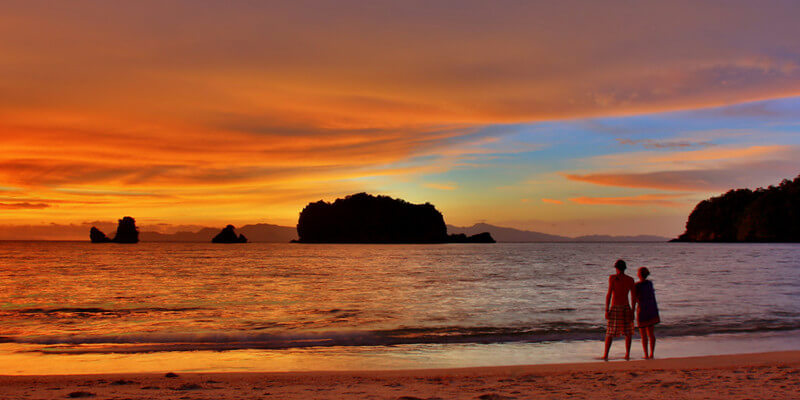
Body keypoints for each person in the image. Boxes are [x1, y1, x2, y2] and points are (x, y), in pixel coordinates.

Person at [602, 259, 635, 360]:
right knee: (627, 333)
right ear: (624, 268)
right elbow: (633, 297)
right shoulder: (630, 279)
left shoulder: (613, 278)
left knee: (610, 332)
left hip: (616, 307)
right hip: (625, 307)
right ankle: (627, 354)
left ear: (616, 268)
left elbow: (609, 295)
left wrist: (606, 309)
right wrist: (633, 310)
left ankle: (606, 355)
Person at [632, 267, 660, 359]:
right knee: (651, 333)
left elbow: (634, 299)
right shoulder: (650, 283)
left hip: (642, 310)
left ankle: (646, 354)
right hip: (651, 309)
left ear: (639, 274)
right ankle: (652, 353)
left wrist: (632, 309)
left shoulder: (637, 285)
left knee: (643, 335)